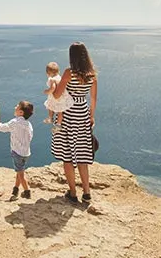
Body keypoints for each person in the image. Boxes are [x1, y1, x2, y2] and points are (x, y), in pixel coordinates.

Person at [50, 42, 98, 204]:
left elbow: (57, 95)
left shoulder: (69, 73)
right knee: (83, 154)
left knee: (68, 155)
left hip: (69, 114)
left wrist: (55, 86)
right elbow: (93, 98)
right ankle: (86, 192)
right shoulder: (92, 74)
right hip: (83, 113)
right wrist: (91, 117)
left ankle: (72, 193)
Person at [0, 101, 34, 201]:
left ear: (21, 112)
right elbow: (30, 136)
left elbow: (3, 128)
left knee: (20, 173)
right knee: (19, 171)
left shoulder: (15, 122)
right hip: (26, 152)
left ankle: (27, 192)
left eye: (17, 106)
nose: (15, 106)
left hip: (17, 152)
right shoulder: (29, 124)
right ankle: (15, 190)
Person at [43, 61, 72, 133]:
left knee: (50, 107)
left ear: (48, 73)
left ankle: (50, 118)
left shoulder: (52, 79)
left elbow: (53, 88)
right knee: (60, 112)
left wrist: (47, 91)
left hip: (54, 97)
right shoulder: (60, 77)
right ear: (58, 71)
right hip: (61, 98)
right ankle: (58, 125)